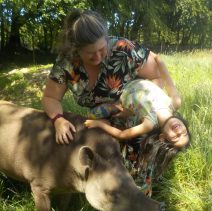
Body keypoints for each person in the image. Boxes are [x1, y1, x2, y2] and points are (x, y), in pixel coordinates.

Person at [41, 8, 174, 145]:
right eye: (90, 53)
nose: (98, 57)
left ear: (106, 39)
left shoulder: (123, 49)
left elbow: (157, 76)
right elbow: (50, 98)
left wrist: (141, 106)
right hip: (98, 123)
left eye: (102, 49)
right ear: (76, 49)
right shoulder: (66, 63)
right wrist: (58, 119)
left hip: (139, 121)